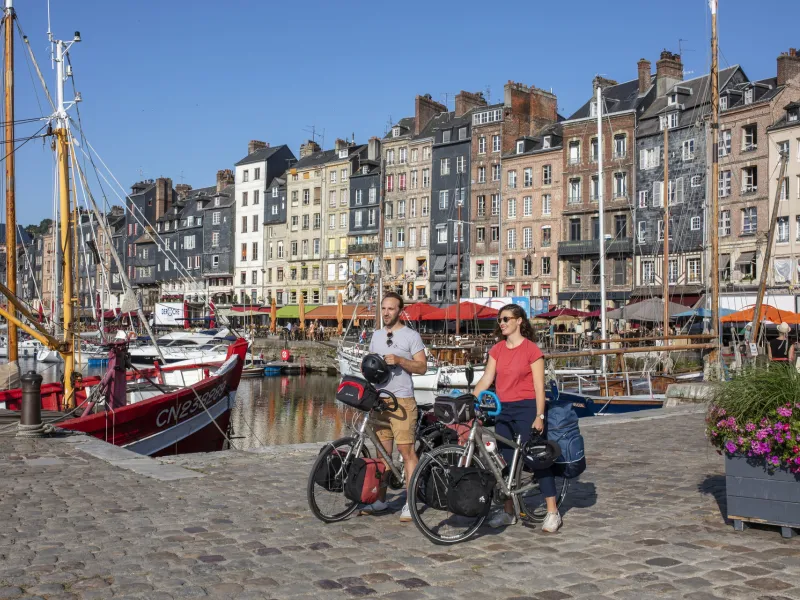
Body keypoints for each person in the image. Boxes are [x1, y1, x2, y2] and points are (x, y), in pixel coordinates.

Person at [473, 303, 562, 533]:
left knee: (536, 458)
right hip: (502, 409)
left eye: (506, 319)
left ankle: (552, 512)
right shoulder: (497, 350)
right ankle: (508, 511)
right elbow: (486, 379)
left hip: (527, 407)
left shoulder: (531, 350)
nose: (501, 323)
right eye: (500, 320)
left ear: (519, 321)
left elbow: (539, 387)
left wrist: (540, 415)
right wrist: (471, 398)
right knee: (503, 461)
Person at [361, 292, 427, 522]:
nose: (386, 313)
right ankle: (380, 500)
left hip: (402, 401)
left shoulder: (411, 336)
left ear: (400, 311)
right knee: (382, 454)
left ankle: (410, 503)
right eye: (384, 308)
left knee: (406, 452)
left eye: (391, 309)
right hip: (380, 401)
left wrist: (399, 360)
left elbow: (422, 368)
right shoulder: (376, 336)